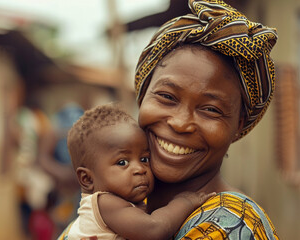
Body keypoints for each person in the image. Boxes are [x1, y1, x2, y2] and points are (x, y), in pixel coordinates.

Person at [59, 0, 279, 239]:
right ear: (142, 96)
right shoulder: (116, 204)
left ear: (238, 125)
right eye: (166, 96)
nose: (180, 122)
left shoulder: (228, 226)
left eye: (211, 110)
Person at [64, 103, 215, 240]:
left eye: (144, 159)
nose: (140, 169)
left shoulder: (123, 206)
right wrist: (185, 201)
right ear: (87, 179)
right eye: (122, 162)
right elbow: (155, 229)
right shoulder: (104, 203)